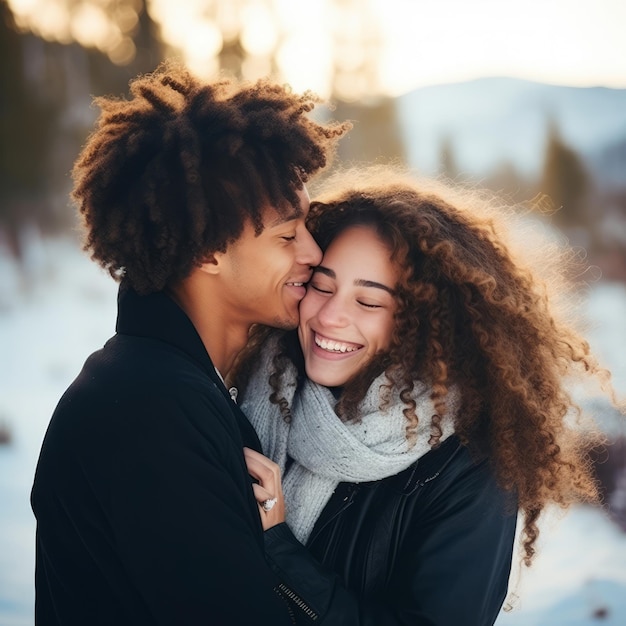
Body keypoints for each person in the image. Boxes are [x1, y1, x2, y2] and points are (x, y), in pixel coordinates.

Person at [30, 61, 351, 625]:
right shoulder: (151, 411)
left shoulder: (173, 385)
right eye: (285, 235)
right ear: (207, 251)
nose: (312, 252)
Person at [234, 165, 620, 625]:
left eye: (369, 301)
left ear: (420, 322)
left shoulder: (469, 465)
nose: (330, 316)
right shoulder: (255, 389)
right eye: (322, 286)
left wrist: (278, 548)